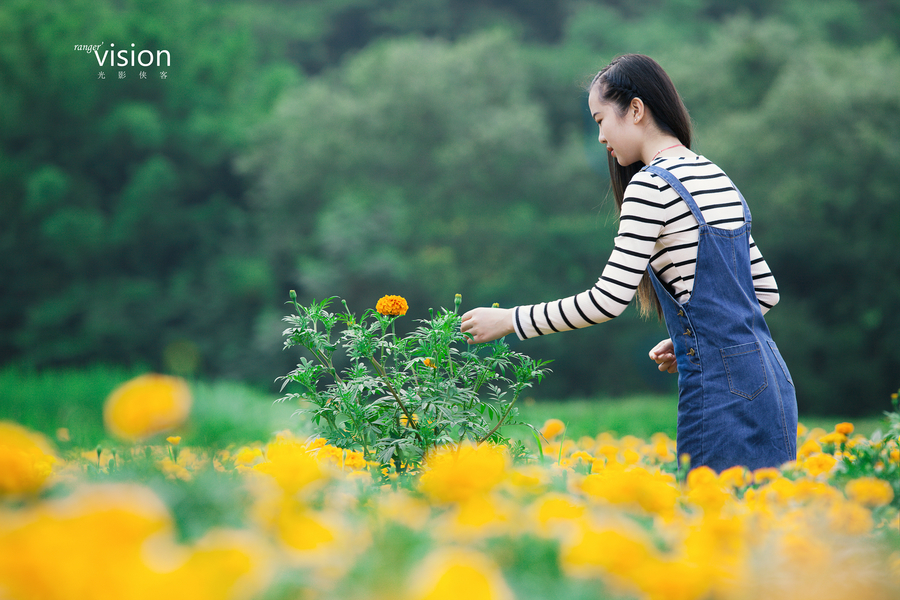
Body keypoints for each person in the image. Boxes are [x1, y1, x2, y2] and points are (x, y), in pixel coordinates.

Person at [460, 54, 797, 472]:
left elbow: (606, 301)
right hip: (771, 380)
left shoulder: (651, 186)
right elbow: (765, 292)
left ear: (635, 109)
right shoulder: (715, 175)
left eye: (600, 119)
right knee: (768, 523)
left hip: (721, 391)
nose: (599, 136)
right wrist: (694, 338)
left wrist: (511, 320)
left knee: (709, 520)